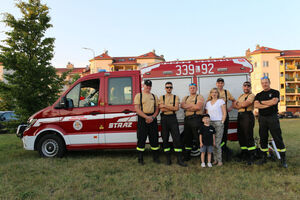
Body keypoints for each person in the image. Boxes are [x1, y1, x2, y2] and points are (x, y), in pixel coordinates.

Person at [254, 77, 287, 168]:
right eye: (263, 83)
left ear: (269, 82)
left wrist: (262, 103)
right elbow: (256, 105)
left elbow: (274, 102)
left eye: (266, 82)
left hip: (272, 117)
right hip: (262, 118)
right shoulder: (259, 94)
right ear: (261, 84)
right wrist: (267, 104)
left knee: (277, 137)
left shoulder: (275, 92)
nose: (264, 84)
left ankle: (283, 159)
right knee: (263, 138)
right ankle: (264, 157)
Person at [159, 82, 187, 167]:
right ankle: (168, 159)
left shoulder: (176, 97)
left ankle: (179, 159)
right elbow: (162, 109)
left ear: (172, 88)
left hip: (173, 118)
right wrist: (170, 107)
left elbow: (176, 108)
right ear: (165, 88)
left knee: (177, 138)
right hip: (164, 119)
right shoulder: (161, 97)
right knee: (165, 138)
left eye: (170, 87)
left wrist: (166, 106)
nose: (169, 89)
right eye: (167, 87)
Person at [134, 80, 160, 165]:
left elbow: (157, 109)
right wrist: (146, 117)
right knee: (141, 139)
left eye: (149, 86)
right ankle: (140, 159)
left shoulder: (154, 96)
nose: (148, 87)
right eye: (147, 85)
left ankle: (155, 158)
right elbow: (137, 109)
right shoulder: (138, 96)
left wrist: (152, 117)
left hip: (152, 119)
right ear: (143, 85)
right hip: (142, 119)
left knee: (154, 139)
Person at [233, 81, 256, 165]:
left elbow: (246, 104)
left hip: (247, 116)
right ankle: (244, 153)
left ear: (250, 87)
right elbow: (234, 105)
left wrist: (239, 104)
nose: (246, 88)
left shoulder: (252, 95)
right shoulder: (241, 96)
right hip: (240, 116)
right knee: (241, 135)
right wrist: (240, 104)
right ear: (243, 87)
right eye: (245, 86)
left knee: (248, 136)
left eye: (248, 86)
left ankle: (251, 155)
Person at [181, 83, 205, 161]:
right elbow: (182, 106)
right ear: (189, 89)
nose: (192, 89)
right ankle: (187, 156)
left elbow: (198, 107)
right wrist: (192, 106)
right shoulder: (185, 97)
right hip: (187, 120)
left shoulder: (199, 96)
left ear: (196, 89)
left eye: (194, 88)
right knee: (187, 138)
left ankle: (203, 156)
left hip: (196, 119)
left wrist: (187, 106)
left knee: (198, 139)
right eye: (191, 88)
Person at [205, 88, 226, 166]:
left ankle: (220, 160)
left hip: (218, 123)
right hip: (210, 124)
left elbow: (224, 113)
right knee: (212, 143)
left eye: (215, 92)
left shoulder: (221, 101)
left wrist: (222, 122)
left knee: (217, 143)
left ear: (218, 94)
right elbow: (207, 115)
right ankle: (215, 160)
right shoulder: (208, 103)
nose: (214, 94)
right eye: (212, 92)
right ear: (210, 94)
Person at [216, 78, 235, 160]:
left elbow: (234, 101)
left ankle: (224, 150)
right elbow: (209, 102)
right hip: (216, 116)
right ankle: (217, 151)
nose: (220, 84)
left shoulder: (227, 92)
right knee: (217, 134)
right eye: (219, 83)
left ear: (223, 84)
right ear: (216, 84)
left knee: (224, 133)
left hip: (225, 115)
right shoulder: (213, 92)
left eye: (221, 83)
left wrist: (230, 107)